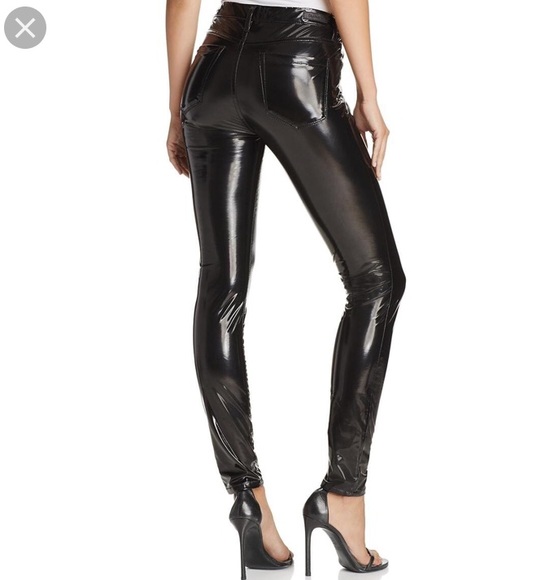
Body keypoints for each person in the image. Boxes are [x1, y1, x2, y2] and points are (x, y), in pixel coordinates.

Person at [166, 0, 406, 577]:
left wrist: (177, 109)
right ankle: (343, 496)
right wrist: (369, 94)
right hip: (295, 68)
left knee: (221, 286)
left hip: (212, 72)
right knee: (376, 280)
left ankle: (248, 497)